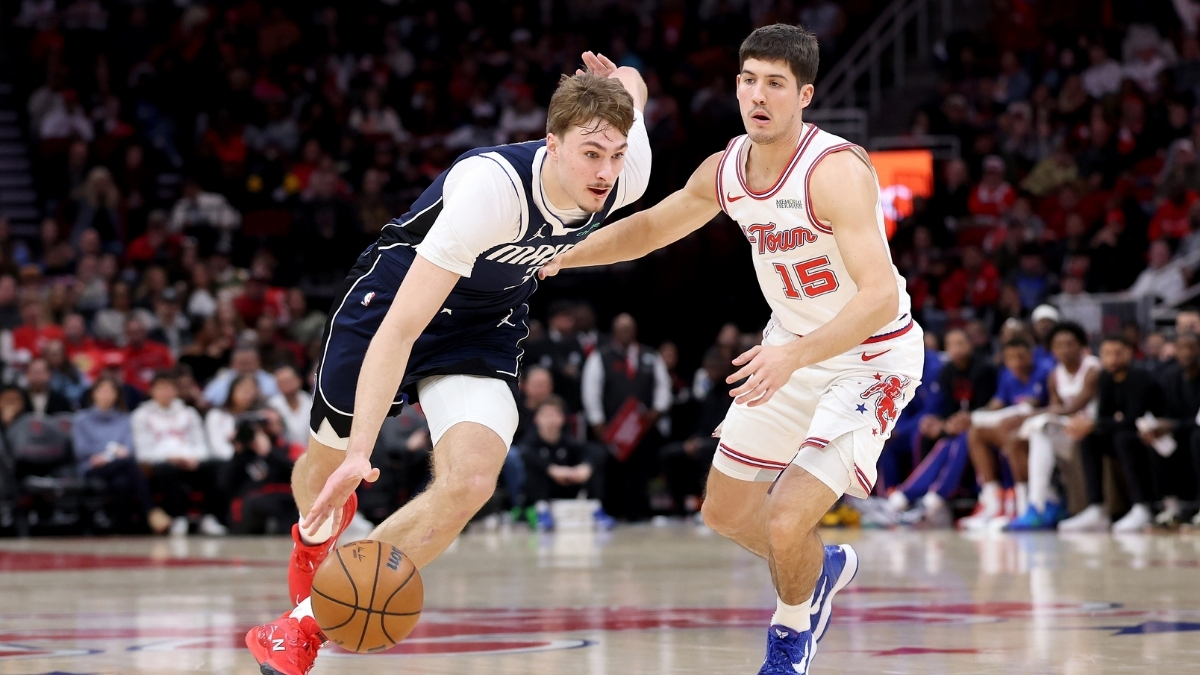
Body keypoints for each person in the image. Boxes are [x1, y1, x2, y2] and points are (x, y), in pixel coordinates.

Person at [245, 58, 649, 674]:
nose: (605, 172)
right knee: (327, 469)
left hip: (483, 324)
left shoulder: (625, 175)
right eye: (591, 154)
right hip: (393, 303)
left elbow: (635, 90)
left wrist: (622, 77)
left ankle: (303, 624)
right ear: (552, 143)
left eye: (615, 155)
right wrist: (360, 453)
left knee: (473, 479)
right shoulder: (493, 191)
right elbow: (401, 330)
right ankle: (312, 537)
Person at [541, 26, 922, 673]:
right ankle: (820, 569)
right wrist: (562, 254)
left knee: (786, 518)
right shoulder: (727, 169)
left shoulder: (834, 170)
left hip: (870, 357)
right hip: (792, 348)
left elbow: (880, 297)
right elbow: (652, 227)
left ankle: (790, 636)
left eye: (775, 83)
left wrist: (794, 355)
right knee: (724, 511)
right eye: (748, 80)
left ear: (804, 95)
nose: (758, 95)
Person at [1058, 335, 1164, 533]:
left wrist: (1097, 423)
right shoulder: (1105, 377)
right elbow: (1104, 416)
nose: (1112, 359)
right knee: (1089, 438)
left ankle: (1142, 507)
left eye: (1118, 353)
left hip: (1154, 435)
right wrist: (1090, 425)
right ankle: (1096, 508)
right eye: (1107, 354)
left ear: (1129, 353)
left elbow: (1134, 418)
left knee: (1122, 439)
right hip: (1123, 433)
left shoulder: (1140, 376)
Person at [1006, 322, 1100, 530]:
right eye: (1058, 345)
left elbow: (1072, 408)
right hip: (1069, 432)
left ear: (1081, 345)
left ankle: (1039, 505)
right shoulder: (1055, 375)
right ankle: (1042, 502)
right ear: (1051, 350)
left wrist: (1030, 414)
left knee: (1039, 426)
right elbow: (1056, 409)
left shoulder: (1092, 368)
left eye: (1070, 344)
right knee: (1025, 436)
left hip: (1091, 430)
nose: (1064, 350)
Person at [956, 338, 1052, 531]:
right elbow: (997, 404)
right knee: (976, 433)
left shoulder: (1044, 372)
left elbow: (1028, 406)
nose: (1016, 362)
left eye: (1021, 356)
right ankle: (993, 502)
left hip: (1041, 432)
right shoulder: (1007, 376)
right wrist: (973, 416)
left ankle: (1022, 505)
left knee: (1009, 432)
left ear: (1031, 356)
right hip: (1015, 427)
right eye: (1011, 358)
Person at [131, 371, 227, 537]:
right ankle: (178, 517)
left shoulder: (189, 413)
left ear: (176, 391)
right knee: (165, 470)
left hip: (189, 461)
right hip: (159, 464)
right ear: (151, 391)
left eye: (169, 388)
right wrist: (170, 458)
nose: (165, 393)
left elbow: (201, 444)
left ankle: (208, 517)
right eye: (161, 388)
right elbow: (143, 451)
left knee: (217, 465)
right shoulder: (141, 415)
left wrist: (194, 458)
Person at [73, 377, 162, 532]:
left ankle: (120, 526)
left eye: (110, 391)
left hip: (120, 466)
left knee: (122, 482)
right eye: (102, 391)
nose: (106, 395)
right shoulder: (82, 419)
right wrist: (112, 450)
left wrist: (106, 454)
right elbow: (82, 450)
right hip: (93, 467)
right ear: (93, 394)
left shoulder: (125, 419)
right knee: (128, 464)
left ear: (116, 395)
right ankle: (151, 510)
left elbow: (128, 448)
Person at [518, 396, 603, 529]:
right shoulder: (529, 443)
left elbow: (596, 451)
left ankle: (595, 508)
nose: (551, 420)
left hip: (567, 486)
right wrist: (551, 469)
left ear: (563, 418)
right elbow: (525, 454)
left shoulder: (568, 441)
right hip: (540, 491)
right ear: (537, 418)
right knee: (532, 468)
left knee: (592, 463)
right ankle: (542, 511)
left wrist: (586, 467)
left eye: (555, 415)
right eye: (546, 415)